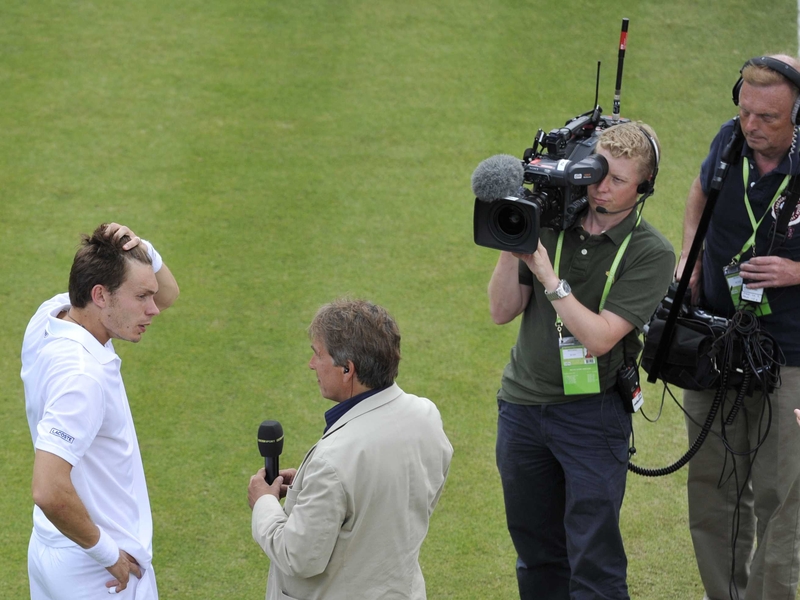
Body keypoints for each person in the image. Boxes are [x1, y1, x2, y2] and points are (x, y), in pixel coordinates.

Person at [489, 122, 675, 600]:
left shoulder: (651, 252)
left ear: (644, 187)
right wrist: (516, 238)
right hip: (522, 409)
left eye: (618, 180)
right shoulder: (552, 222)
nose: (601, 188)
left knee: (594, 562)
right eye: (597, 172)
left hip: (592, 417)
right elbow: (501, 310)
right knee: (536, 555)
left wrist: (548, 277)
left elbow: (599, 338)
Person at [678, 54, 800, 600]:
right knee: (713, 488)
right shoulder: (729, 140)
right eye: (745, 110)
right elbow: (700, 190)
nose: (751, 125)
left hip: (790, 355)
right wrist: (691, 255)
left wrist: (796, 271)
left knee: (781, 495)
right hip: (717, 341)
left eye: (767, 117)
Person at [248, 298, 453, 600]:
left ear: (347, 369)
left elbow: (298, 557)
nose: (312, 364)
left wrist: (264, 503)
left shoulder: (333, 460)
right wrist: (309, 488)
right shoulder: (426, 416)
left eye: (318, 354)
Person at [22, 223, 179, 599]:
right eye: (141, 296)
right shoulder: (82, 377)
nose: (154, 309)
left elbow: (168, 294)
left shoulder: (52, 314)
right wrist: (108, 555)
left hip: (52, 549)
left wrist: (139, 249)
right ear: (101, 295)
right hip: (98, 574)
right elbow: (47, 488)